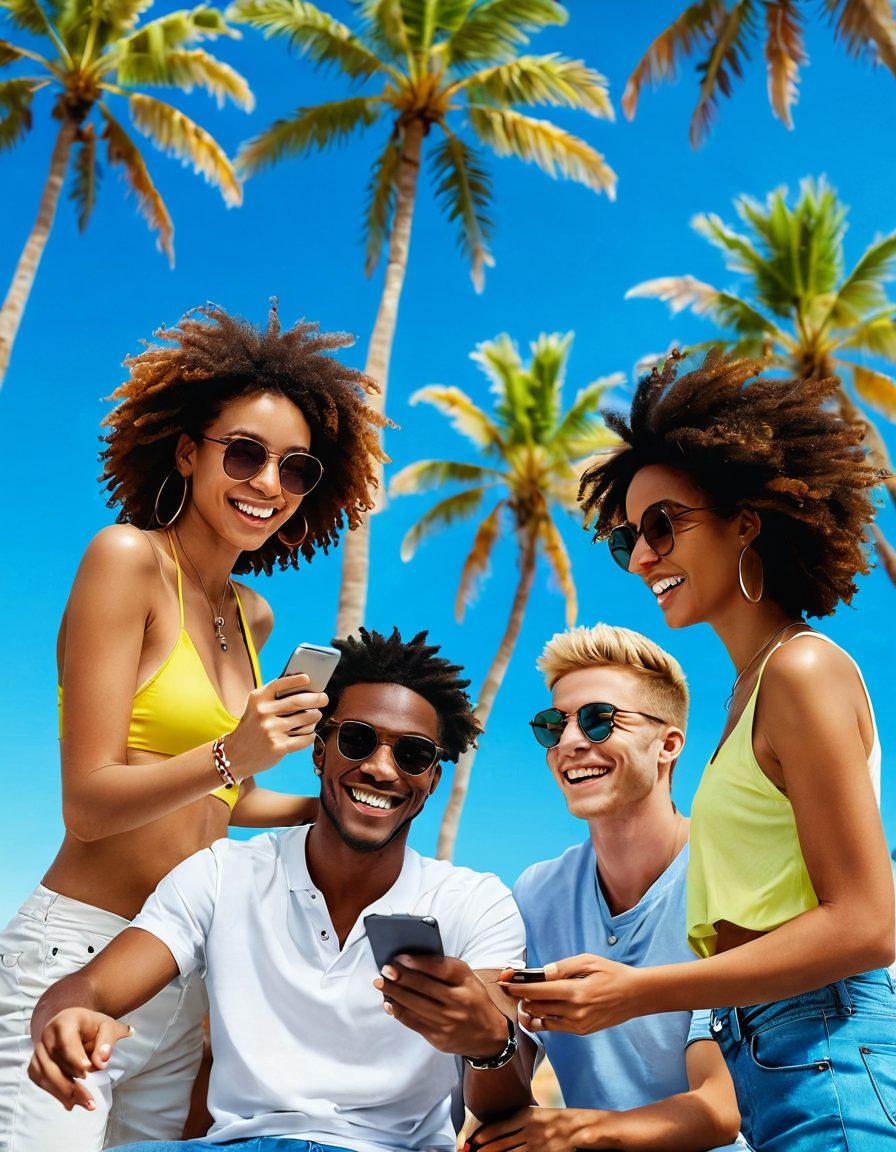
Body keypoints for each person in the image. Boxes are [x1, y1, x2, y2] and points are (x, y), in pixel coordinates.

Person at [0, 303, 386, 1152]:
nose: (268, 485)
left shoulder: (252, 613)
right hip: (75, 953)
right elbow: (91, 805)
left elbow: (220, 803)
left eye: (297, 470)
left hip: (178, 972)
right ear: (187, 451)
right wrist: (232, 752)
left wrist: (338, 802)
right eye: (244, 454)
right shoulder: (126, 561)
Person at [503, 351, 895, 1152]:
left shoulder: (803, 669)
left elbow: (868, 923)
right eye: (628, 539)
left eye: (662, 526)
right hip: (773, 1055)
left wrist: (638, 992)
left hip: (824, 1050)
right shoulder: (749, 691)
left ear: (744, 521)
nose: (642, 557)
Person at [26, 627, 531, 1152]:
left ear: (431, 779)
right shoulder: (222, 875)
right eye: (356, 740)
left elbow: (508, 1102)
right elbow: (88, 989)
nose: (381, 768)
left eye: (413, 755)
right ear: (319, 752)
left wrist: (489, 1042)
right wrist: (62, 1022)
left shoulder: (476, 902)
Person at [472, 623, 742, 1152]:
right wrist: (482, 1034)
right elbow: (507, 1088)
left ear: (667, 745)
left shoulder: (727, 873)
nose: (569, 743)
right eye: (553, 726)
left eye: (598, 721)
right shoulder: (538, 892)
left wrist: (578, 1130)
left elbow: (720, 1108)